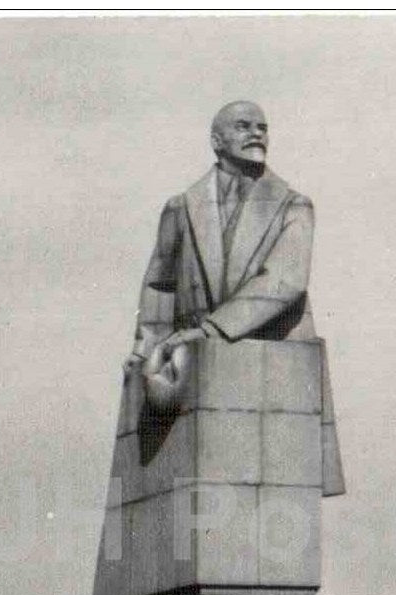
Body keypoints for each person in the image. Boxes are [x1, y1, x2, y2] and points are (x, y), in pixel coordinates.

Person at [127, 100, 343, 496]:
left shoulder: (293, 205)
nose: (257, 134)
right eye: (244, 126)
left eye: (263, 127)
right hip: (186, 364)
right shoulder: (180, 207)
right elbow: (159, 283)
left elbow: (284, 281)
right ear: (217, 141)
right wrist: (145, 348)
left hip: (268, 357)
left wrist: (211, 329)